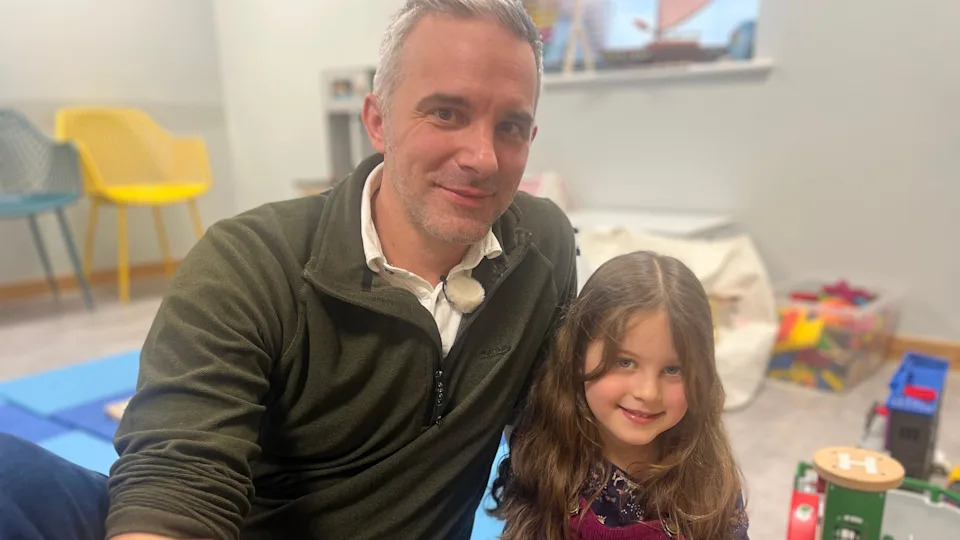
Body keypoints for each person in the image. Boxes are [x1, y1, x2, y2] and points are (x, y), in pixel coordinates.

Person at [0, 2, 577, 539]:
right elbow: (177, 480)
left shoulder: (542, 249)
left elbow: (565, 441)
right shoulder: (247, 262)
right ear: (377, 121)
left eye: (509, 126)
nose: (482, 157)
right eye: (447, 113)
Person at [491, 251, 748, 540]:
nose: (648, 392)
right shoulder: (542, 453)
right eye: (625, 362)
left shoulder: (710, 480)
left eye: (673, 369)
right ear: (577, 356)